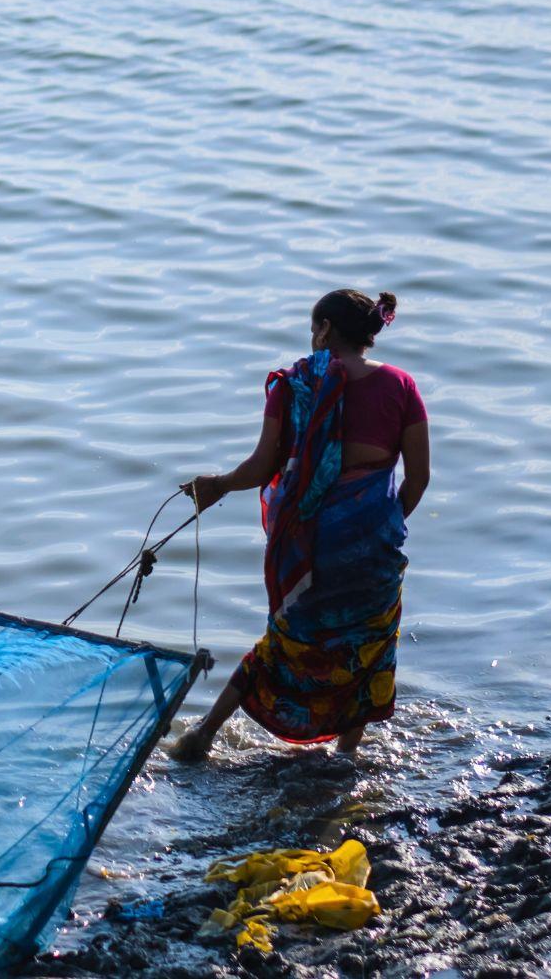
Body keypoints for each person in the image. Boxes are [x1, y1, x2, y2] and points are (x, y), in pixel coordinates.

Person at [169, 289, 430, 761]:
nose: (312, 338)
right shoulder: (401, 386)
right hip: (375, 544)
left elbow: (262, 465)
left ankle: (202, 735)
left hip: (308, 543)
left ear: (325, 329)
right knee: (368, 644)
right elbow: (419, 477)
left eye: (313, 328)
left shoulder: (295, 387)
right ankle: (346, 757)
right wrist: (378, 523)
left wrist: (218, 484)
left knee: (284, 642)